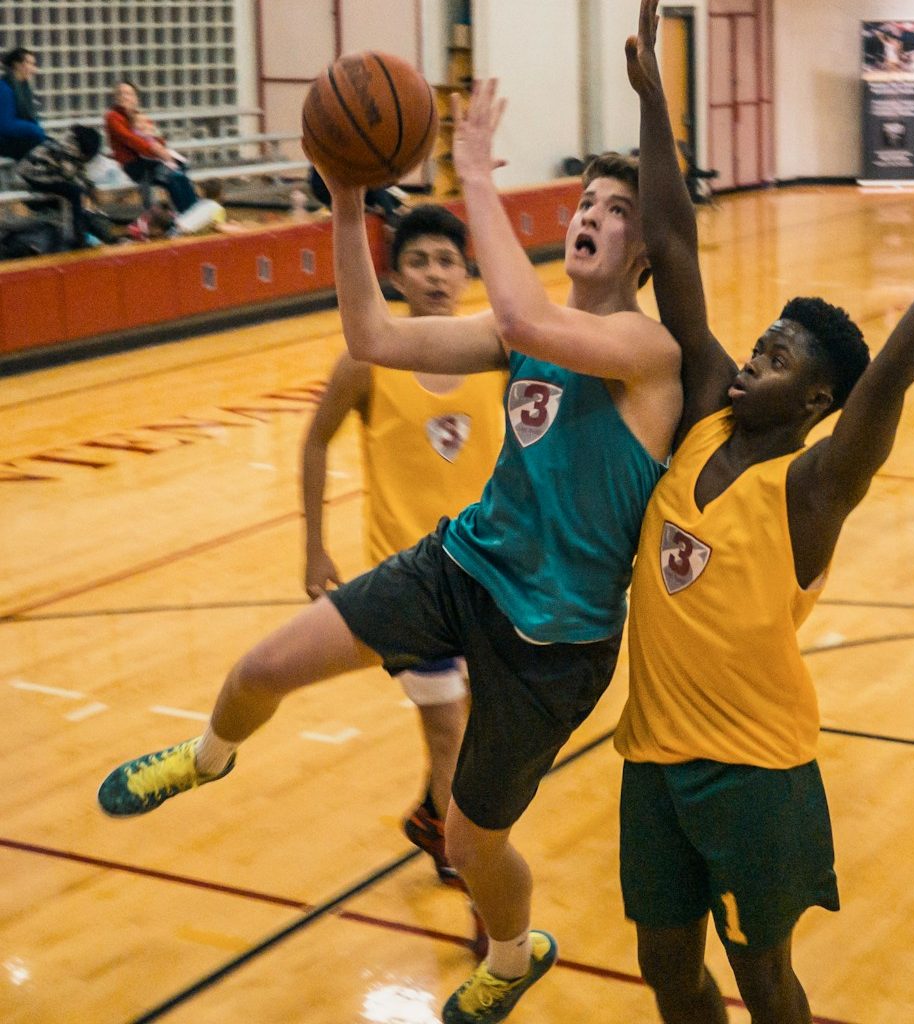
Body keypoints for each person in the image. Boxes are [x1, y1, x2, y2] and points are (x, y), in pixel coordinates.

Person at [96, 78, 684, 1023]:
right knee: (262, 666)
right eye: (585, 202)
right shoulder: (516, 335)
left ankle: (511, 952)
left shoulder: (645, 350)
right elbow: (370, 334)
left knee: (470, 843)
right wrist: (343, 200)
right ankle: (206, 760)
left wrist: (477, 175)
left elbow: (536, 321)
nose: (591, 218)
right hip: (461, 568)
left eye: (616, 212)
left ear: (646, 248)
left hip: (556, 644)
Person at [620, 3, 914, 1021]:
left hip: (755, 769)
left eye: (775, 358)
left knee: (762, 977)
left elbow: (889, 385)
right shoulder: (700, 421)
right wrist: (653, 104)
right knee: (666, 971)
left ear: (814, 402)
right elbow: (674, 239)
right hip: (650, 755)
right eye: (758, 341)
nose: (752, 358)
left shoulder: (811, 487)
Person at [299, 204, 506, 889]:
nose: (436, 274)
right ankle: (463, 861)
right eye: (419, 261)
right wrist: (315, 548)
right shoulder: (367, 361)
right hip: (408, 580)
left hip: (488, 570)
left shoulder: (497, 355)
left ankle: (431, 812)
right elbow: (316, 441)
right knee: (447, 728)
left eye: (447, 260)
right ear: (394, 275)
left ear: (467, 271)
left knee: (477, 726)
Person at [105, 80, 199, 213]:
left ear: (135, 98)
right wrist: (155, 150)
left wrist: (158, 147)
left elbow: (158, 139)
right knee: (173, 176)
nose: (124, 96)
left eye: (128, 93)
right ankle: (186, 213)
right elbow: (130, 139)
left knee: (179, 176)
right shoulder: (113, 117)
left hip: (153, 160)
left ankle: (192, 211)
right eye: (120, 93)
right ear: (115, 97)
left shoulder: (140, 117)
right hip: (134, 163)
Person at [16, 124, 113, 248]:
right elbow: (69, 174)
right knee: (75, 193)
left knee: (75, 192)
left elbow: (78, 172)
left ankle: (76, 231)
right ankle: (78, 236)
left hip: (42, 173)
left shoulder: (70, 144)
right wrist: (87, 191)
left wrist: (90, 188)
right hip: (34, 175)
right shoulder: (67, 148)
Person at [0, 46, 45, 159]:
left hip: (14, 138)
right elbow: (5, 125)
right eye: (29, 63)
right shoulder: (4, 88)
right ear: (17, 65)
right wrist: (34, 129)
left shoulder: (24, 88)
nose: (33, 69)